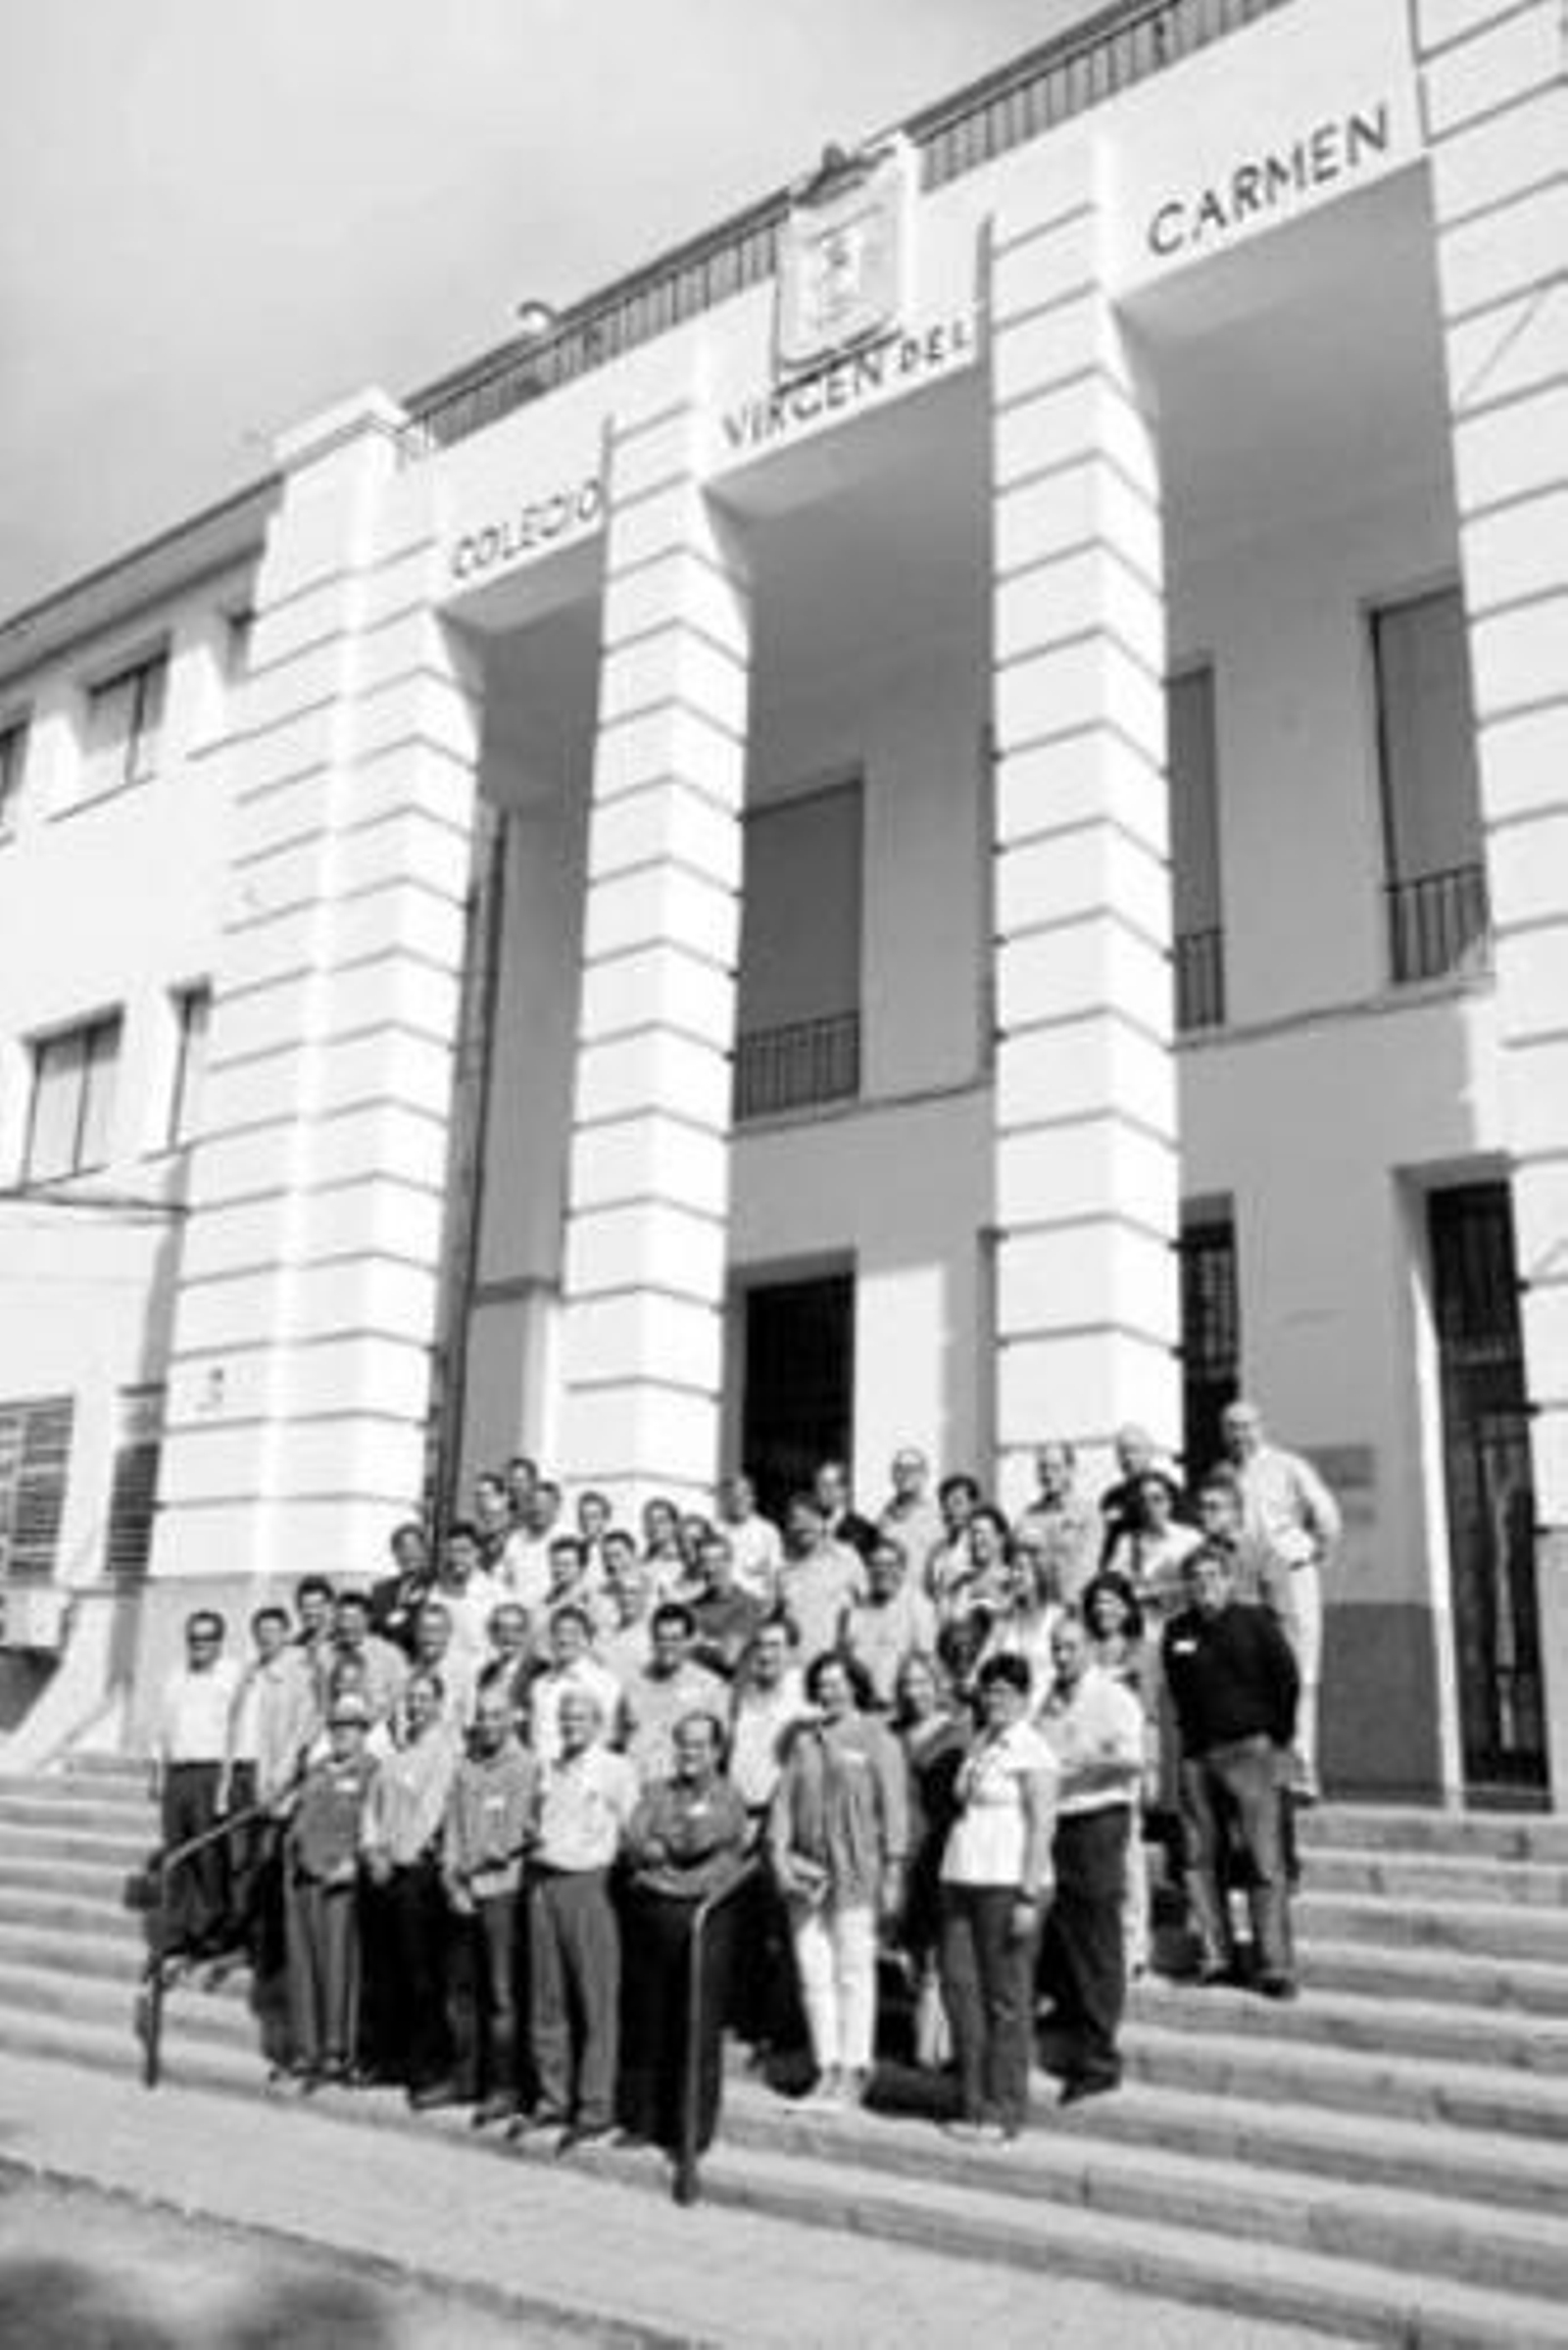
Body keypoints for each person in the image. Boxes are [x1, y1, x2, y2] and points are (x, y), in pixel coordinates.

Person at [767, 1651, 907, 2111]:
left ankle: (854, 2066)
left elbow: (894, 1809)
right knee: (814, 1972)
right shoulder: (804, 1742)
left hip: (855, 1870)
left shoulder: (877, 1738)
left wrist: (892, 1869)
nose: (830, 1691)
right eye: (822, 1683)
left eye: (838, 1682)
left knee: (853, 1971)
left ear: (856, 1685)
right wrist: (782, 1859)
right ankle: (825, 2066)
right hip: (808, 1875)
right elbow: (783, 1805)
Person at [1162, 1546, 1300, 1998]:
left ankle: (1273, 1964)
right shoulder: (1176, 1631)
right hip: (1198, 1758)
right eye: (1195, 1577)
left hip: (1250, 1751)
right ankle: (1217, 1956)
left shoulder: (1255, 1622)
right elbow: (1178, 1692)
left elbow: (1286, 1679)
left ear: (1228, 1579)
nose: (1204, 1584)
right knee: (1200, 1861)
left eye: (1212, 1575)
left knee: (1264, 1860)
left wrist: (1273, 1734)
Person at [938, 1654, 1056, 2143]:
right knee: (961, 1990)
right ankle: (971, 2100)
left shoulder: (1033, 1749)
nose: (996, 1700)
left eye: (1006, 1691)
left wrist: (1029, 1894)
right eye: (990, 1691)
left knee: (1005, 1998)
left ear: (1025, 1697)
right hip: (962, 1875)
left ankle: (1003, 2107)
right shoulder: (979, 1744)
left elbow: (1043, 1822)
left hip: (1007, 1882)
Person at [619, 1709, 750, 2153]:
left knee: (694, 2023)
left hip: (701, 1916)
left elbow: (697, 1840)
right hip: (653, 1911)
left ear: (716, 1750)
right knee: (649, 2019)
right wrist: (656, 1843)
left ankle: (690, 2130)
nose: (690, 1753)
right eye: (684, 1744)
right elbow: (633, 1837)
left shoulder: (729, 1796)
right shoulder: (656, 1788)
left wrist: (664, 1840)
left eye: (699, 1745)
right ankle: (645, 2120)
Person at [521, 1687, 639, 2151]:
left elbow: (631, 1830)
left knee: (594, 2000)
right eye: (565, 1717)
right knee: (547, 2000)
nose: (571, 1724)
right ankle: (553, 2098)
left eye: (581, 1717)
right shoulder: (549, 1766)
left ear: (598, 1723)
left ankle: (594, 2105)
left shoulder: (615, 1769)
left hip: (589, 1883)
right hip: (543, 1882)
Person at [1036, 1615, 1145, 2103]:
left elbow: (1130, 1760)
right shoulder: (1049, 1701)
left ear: (1091, 1648)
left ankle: (1100, 2057)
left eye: (1071, 1647)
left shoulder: (1114, 1697)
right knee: (1066, 1933)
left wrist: (1080, 1765)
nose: (1062, 1657)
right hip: (1060, 1823)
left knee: (1097, 1937)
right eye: (1056, 1648)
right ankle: (1072, 2024)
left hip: (1098, 1820)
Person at [1221, 1398, 1342, 1800]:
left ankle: (1299, 1774)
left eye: (1246, 1426)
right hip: (1245, 1584)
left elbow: (1325, 1515)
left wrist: (1310, 1554)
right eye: (1232, 1427)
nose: (1240, 1435)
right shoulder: (1224, 1475)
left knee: (1299, 1674)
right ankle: (1263, 1771)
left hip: (1290, 1575)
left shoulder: (1288, 1466)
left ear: (1261, 1427)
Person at [441, 1681, 540, 2125]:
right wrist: (451, 1881)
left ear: (513, 1718)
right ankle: (465, 2078)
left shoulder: (526, 1767)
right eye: (483, 1715)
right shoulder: (465, 1767)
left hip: (503, 1892)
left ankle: (505, 2086)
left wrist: (474, 1869)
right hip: (463, 1893)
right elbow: (451, 1831)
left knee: (502, 1996)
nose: (489, 1723)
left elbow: (517, 1836)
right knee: (461, 1993)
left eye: (498, 1715)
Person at [361, 1669, 459, 2101]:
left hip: (416, 1873)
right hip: (386, 1871)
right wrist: (373, 1849)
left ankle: (428, 2068)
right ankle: (389, 2059)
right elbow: (372, 1804)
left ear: (439, 1703)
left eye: (424, 1698)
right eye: (411, 1698)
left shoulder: (444, 1752)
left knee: (422, 1976)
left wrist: (398, 1855)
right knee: (387, 1972)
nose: (417, 1705)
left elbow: (432, 1811)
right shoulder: (398, 1752)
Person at [282, 1690, 378, 2085]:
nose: (343, 1733)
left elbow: (377, 1824)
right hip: (304, 1876)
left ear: (364, 1731)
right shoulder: (318, 1769)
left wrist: (356, 1863)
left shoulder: (373, 1770)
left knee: (337, 1967)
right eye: (337, 1725)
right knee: (304, 1967)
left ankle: (336, 2051)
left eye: (351, 1726)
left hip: (340, 1880)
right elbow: (298, 1813)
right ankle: (306, 2050)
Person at [727, 1617, 810, 2057]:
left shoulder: (802, 1698)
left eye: (777, 1646)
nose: (766, 1654)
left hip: (785, 1822)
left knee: (786, 1930)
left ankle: (786, 2032)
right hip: (746, 1817)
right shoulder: (745, 1695)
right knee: (750, 1928)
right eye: (760, 1645)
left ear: (793, 1650)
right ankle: (751, 2018)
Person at [224, 1605, 316, 1974]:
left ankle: (269, 1952)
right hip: (245, 1776)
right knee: (242, 1867)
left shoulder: (297, 1675)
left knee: (268, 1866)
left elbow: (299, 1732)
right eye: (261, 1632)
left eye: (274, 1631)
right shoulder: (250, 1673)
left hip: (275, 1783)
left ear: (286, 1633)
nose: (267, 1638)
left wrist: (280, 1779)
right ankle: (244, 1941)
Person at [892, 1650, 966, 2070]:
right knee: (912, 1948)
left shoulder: (957, 1734)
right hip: (903, 1849)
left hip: (939, 1849)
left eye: (922, 1681)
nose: (914, 1691)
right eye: (907, 1683)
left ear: (939, 1685)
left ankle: (937, 2045)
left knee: (939, 1948)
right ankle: (924, 2036)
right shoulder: (894, 1733)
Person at [151, 1610, 240, 1963]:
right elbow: (162, 1728)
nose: (199, 1645)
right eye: (194, 1639)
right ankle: (177, 1933)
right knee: (176, 1855)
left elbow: (237, 1733)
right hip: (178, 1774)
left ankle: (211, 1931)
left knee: (207, 1857)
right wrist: (158, 1772)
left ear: (219, 1641)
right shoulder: (175, 1677)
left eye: (207, 1638)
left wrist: (226, 1783)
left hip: (211, 1773)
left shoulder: (232, 1677)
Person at [622, 1603, 728, 1787]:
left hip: (685, 1794)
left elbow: (720, 1750)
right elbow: (621, 1738)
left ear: (689, 1641)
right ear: (652, 1641)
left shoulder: (710, 1687)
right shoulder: (633, 1684)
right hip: (640, 1793)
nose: (667, 1646)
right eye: (661, 1638)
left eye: (675, 1639)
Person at [841, 1534, 937, 1712]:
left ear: (902, 1569)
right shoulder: (856, 1612)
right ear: (867, 1570)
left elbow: (927, 1662)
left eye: (890, 1565)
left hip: (902, 1707)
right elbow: (849, 1661)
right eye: (876, 1565)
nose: (882, 1571)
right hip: (864, 1708)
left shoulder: (919, 1606)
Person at [529, 1605, 623, 1769]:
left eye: (573, 1633)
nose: (564, 1640)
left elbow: (608, 1737)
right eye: (558, 1633)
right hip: (544, 1776)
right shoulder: (539, 1685)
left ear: (586, 1639)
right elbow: (536, 1738)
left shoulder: (604, 1683)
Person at [777, 1493, 864, 1665]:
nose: (803, 1525)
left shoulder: (846, 1556)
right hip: (797, 1665)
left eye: (810, 1518)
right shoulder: (784, 1571)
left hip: (837, 1665)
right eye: (796, 1520)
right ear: (788, 1527)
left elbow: (867, 1604)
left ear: (822, 1522)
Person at [1017, 1442, 1101, 1608]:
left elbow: (1087, 1570)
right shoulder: (1027, 1517)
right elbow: (1020, 1566)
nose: (1048, 1475)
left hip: (1073, 1609)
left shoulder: (1087, 1514)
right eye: (1043, 1468)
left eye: (1055, 1468)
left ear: (1070, 1470)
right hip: (1036, 1611)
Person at [689, 1531, 765, 1681]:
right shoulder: (691, 1607)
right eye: (704, 1561)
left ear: (730, 1561)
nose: (710, 1569)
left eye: (717, 1561)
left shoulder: (747, 1604)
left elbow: (729, 1658)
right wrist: (712, 1643)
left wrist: (695, 1643)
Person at [328, 1592, 408, 1728]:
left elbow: (401, 1698)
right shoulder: (327, 1653)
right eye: (342, 1618)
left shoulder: (390, 1654)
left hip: (378, 1732)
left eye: (354, 1619)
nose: (347, 1625)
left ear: (368, 1619)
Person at [714, 1472, 783, 1604]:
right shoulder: (715, 1529)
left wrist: (771, 1603)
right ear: (725, 1499)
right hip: (721, 1604)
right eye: (732, 1495)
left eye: (744, 1495)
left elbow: (775, 1574)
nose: (738, 1500)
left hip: (754, 1603)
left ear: (753, 1498)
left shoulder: (768, 1531)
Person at [368, 1522, 434, 1655]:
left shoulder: (435, 1586)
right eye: (402, 1549)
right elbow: (374, 1630)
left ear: (425, 1551)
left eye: (414, 1548)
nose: (408, 1554)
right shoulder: (380, 1590)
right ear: (395, 1554)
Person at [877, 1448, 944, 1582]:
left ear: (924, 1475)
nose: (905, 1474)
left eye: (912, 1469)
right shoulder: (883, 1518)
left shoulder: (937, 1517)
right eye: (899, 1469)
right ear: (892, 1476)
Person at [926, 1474, 983, 1619]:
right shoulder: (936, 1552)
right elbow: (930, 1593)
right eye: (945, 1504)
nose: (950, 1511)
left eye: (958, 1503)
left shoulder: (981, 1548)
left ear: (973, 1505)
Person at [813, 1459, 877, 1562]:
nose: (827, 1491)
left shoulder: (863, 1531)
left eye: (833, 1485)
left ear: (845, 1490)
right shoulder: (809, 1526)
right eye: (822, 1485)